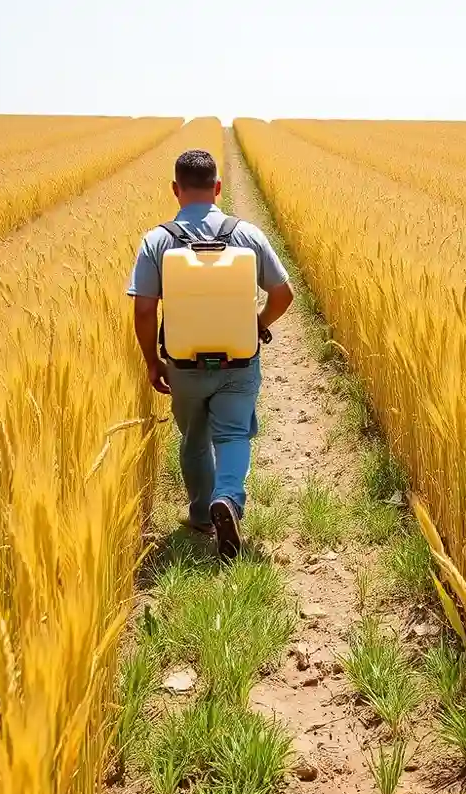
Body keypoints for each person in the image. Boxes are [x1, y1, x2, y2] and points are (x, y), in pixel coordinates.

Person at [127, 149, 294, 560]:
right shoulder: (248, 235)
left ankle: (203, 513)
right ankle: (229, 500)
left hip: (184, 364)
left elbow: (145, 309)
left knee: (195, 437)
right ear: (218, 188)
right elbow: (283, 293)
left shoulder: (157, 241)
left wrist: (152, 360)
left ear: (175, 190)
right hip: (239, 360)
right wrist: (256, 324)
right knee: (234, 433)